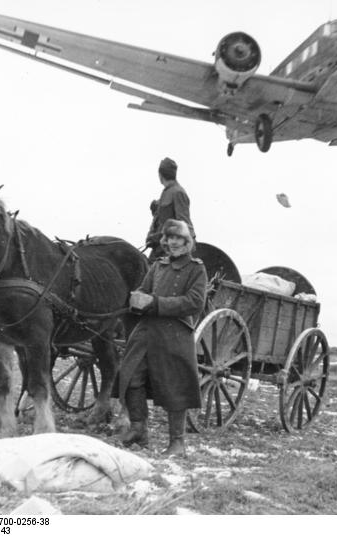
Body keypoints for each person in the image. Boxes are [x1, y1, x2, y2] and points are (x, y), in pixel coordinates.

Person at [117, 219, 207, 456]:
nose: (173, 242)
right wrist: (137, 298)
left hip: (174, 334)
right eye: (170, 238)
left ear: (187, 242)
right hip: (146, 331)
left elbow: (195, 302)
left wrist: (156, 303)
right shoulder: (158, 266)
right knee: (131, 377)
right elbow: (144, 290)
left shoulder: (196, 269)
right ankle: (138, 430)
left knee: (174, 387)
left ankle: (177, 443)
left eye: (179, 238)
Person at [146, 157, 195, 262]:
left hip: (172, 248)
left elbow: (184, 224)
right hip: (161, 246)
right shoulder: (168, 191)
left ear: (160, 175)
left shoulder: (178, 192)